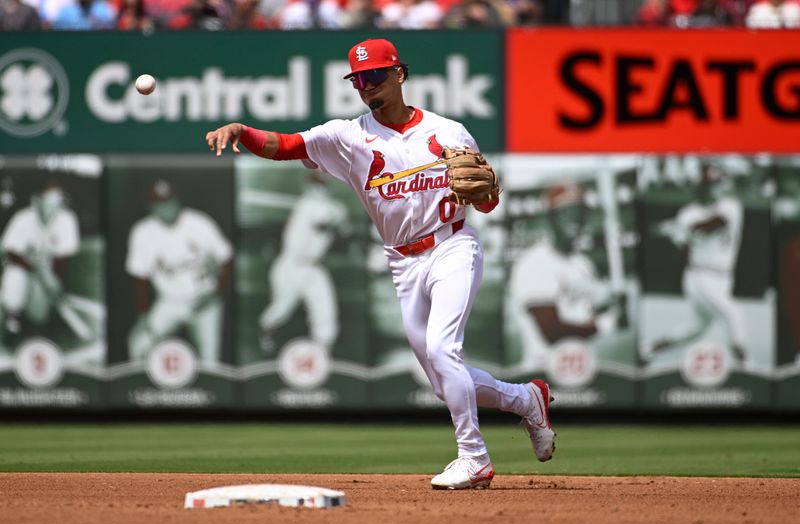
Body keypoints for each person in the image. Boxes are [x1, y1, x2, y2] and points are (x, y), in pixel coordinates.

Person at [205, 38, 555, 490]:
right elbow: (285, 145)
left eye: (375, 75)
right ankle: (528, 400)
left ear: (399, 75)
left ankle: (474, 458)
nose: (367, 85)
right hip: (403, 262)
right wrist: (242, 130)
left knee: (444, 351)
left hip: (453, 245)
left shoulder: (449, 132)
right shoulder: (347, 136)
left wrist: (487, 192)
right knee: (441, 378)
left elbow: (486, 207)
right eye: (358, 79)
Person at [508, 183, 622, 371]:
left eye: (581, 214)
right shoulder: (535, 263)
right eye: (568, 214)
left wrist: (609, 303)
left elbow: (587, 311)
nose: (576, 221)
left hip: (582, 366)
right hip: (543, 371)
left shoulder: (583, 263)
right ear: (551, 218)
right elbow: (552, 331)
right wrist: (604, 325)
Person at [645, 162, 748, 365]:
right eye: (708, 185)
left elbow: (715, 224)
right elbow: (683, 256)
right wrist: (679, 240)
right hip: (700, 276)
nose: (714, 189)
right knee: (733, 314)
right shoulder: (688, 212)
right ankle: (745, 364)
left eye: (717, 183)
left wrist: (684, 230)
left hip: (724, 278)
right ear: (699, 187)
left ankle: (649, 349)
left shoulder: (731, 206)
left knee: (696, 329)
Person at [125, 179, 233, 364]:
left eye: (170, 202)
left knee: (211, 360)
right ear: (151, 207)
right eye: (160, 204)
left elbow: (227, 258)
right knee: (139, 345)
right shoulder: (142, 232)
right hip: (170, 302)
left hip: (204, 301)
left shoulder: (200, 223)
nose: (166, 208)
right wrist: (143, 315)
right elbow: (140, 277)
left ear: (178, 201)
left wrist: (216, 294)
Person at [258, 172, 347, 353]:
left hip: (313, 267)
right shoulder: (307, 206)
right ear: (308, 186)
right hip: (291, 266)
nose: (319, 188)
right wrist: (338, 218)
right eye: (315, 184)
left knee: (325, 310)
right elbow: (325, 222)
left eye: (322, 184)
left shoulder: (329, 206)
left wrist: (339, 218)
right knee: (281, 309)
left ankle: (322, 349)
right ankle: (265, 331)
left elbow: (341, 229)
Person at [0, 180, 79, 341]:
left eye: (58, 203)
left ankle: (44, 312)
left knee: (38, 318)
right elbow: (11, 253)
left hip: (44, 269)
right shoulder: (22, 218)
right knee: (14, 280)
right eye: (48, 203)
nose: (52, 209)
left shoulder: (67, 220)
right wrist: (39, 271)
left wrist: (54, 280)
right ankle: (11, 317)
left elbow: (63, 258)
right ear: (37, 201)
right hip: (18, 267)